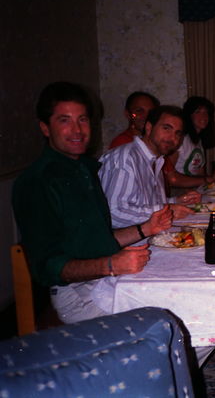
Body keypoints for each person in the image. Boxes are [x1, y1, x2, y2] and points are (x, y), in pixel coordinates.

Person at [12, 82, 173, 324]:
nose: (77, 130)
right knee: (176, 322)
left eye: (83, 119)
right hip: (78, 296)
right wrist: (110, 264)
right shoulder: (37, 182)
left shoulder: (87, 168)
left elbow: (99, 240)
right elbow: (49, 267)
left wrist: (145, 228)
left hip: (105, 280)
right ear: (45, 128)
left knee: (185, 297)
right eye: (64, 120)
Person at [99, 105, 201, 228]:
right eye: (166, 128)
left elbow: (146, 205)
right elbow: (113, 213)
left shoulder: (156, 160)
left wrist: (176, 201)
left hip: (151, 234)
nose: (173, 138)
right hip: (125, 243)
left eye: (177, 133)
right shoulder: (125, 158)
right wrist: (167, 209)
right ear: (149, 127)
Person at [163, 96, 215, 189]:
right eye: (198, 112)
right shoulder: (180, 140)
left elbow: (199, 174)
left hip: (195, 190)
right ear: (189, 115)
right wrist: (208, 179)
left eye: (206, 112)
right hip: (178, 192)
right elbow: (168, 176)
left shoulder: (199, 141)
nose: (204, 116)